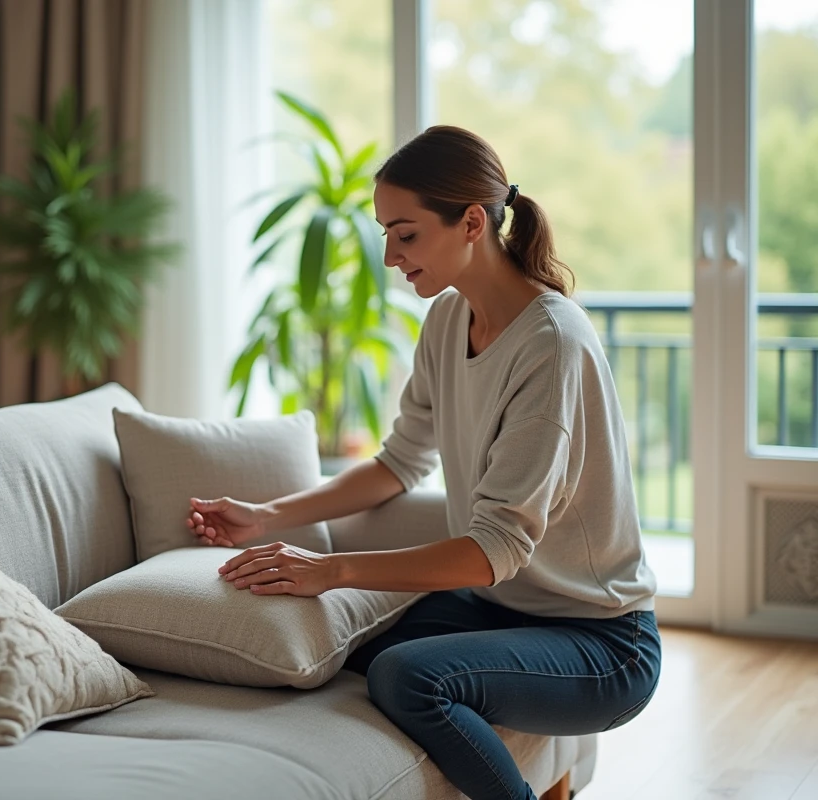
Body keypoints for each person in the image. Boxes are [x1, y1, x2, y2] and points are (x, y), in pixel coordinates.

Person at [184, 125, 661, 800]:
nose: (388, 256)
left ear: (472, 222)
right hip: (507, 612)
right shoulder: (447, 320)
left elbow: (493, 549)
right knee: (365, 651)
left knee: (408, 677)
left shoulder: (552, 346)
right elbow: (399, 463)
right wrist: (268, 515)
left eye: (405, 234)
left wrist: (331, 570)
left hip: (604, 643)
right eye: (385, 233)